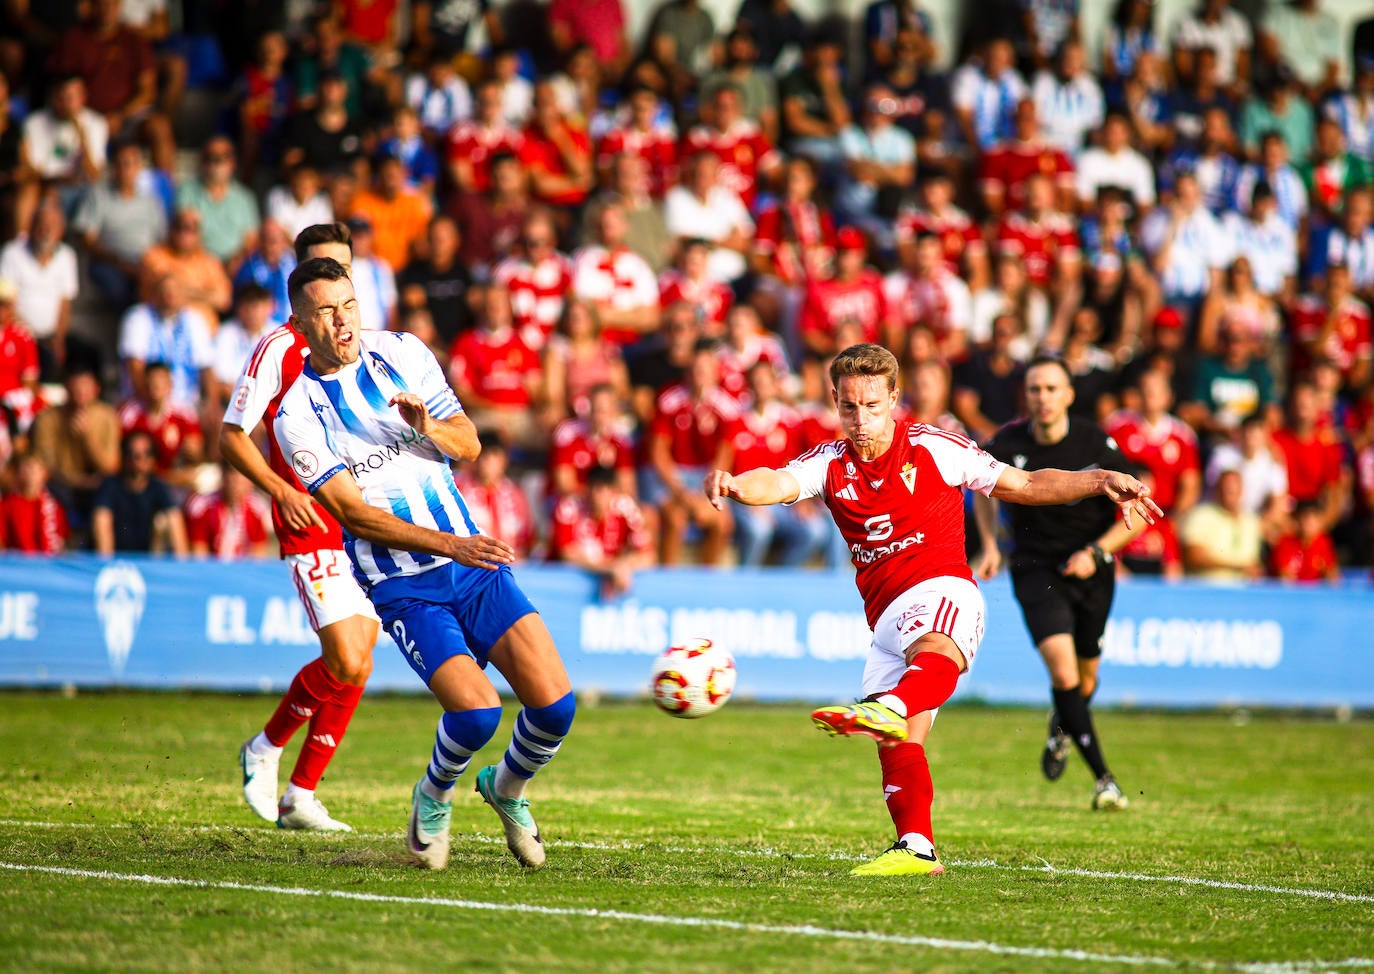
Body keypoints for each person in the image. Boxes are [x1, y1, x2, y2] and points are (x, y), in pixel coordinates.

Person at [704, 344, 1160, 875]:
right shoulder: (828, 463)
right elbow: (778, 481)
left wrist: (1099, 479)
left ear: (895, 398)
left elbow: (1027, 483)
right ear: (834, 401)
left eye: (873, 405)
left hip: (944, 590)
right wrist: (736, 485)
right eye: (849, 406)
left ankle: (894, 707)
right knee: (897, 743)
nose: (861, 418)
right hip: (885, 620)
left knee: (928, 660)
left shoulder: (936, 447)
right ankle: (917, 847)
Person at [274, 257, 575, 871]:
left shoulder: (405, 353)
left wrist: (428, 426)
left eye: (349, 304)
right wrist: (451, 546)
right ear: (299, 323)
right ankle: (432, 795)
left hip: (471, 559)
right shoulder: (296, 414)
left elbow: (470, 443)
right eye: (326, 311)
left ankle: (505, 788)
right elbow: (353, 516)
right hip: (403, 582)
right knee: (477, 712)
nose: (342, 321)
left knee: (555, 708)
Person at [224, 222, 383, 833]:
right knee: (343, 656)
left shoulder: (364, 343)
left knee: (359, 664)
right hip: (310, 516)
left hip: (364, 520)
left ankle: (302, 794)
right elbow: (232, 435)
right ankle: (263, 748)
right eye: (321, 269)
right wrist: (281, 489)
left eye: (342, 270)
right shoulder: (279, 348)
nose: (333, 281)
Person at [975, 357, 1150, 812]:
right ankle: (1105, 780)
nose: (1043, 398)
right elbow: (983, 490)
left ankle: (1061, 728)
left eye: (1052, 388)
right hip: (1035, 569)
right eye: (1035, 389)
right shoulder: (1006, 443)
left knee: (1086, 677)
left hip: (1092, 568)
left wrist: (1097, 552)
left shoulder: (1097, 443)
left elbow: (1137, 514)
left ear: (1069, 394)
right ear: (1026, 396)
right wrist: (992, 545)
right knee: (1065, 671)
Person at [91, 429, 187, 556]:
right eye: (133, 454)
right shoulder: (110, 486)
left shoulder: (158, 487)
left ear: (153, 459)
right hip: (115, 564)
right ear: (124, 457)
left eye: (146, 454)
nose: (139, 460)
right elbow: (102, 521)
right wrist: (107, 565)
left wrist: (182, 566)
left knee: (165, 520)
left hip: (147, 561)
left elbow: (175, 520)